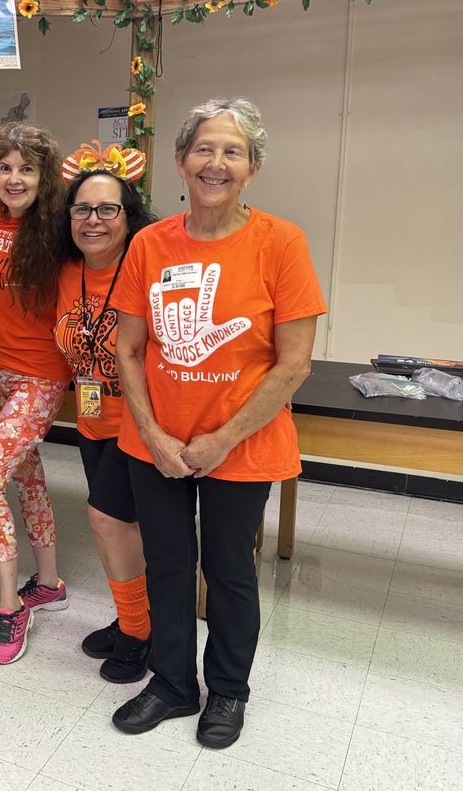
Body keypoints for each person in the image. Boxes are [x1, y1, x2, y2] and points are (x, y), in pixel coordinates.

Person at [111, 97, 325, 748]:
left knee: (229, 570)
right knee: (168, 565)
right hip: (157, 444)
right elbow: (127, 349)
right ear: (181, 161)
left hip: (243, 445)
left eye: (233, 151)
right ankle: (173, 684)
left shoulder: (281, 243)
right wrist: (154, 434)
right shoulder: (149, 243)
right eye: (204, 148)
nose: (216, 162)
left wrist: (222, 438)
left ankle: (228, 691)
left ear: (252, 168)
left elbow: (293, 364)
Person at [52, 143, 156, 683]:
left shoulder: (146, 269)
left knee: (107, 520)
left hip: (139, 424)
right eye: (82, 209)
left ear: (129, 215)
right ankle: (134, 618)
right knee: (120, 527)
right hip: (91, 420)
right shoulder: (66, 272)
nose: (93, 220)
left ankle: (139, 632)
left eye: (107, 209)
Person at [0, 123, 71, 665]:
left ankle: (11, 606)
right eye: (5, 168)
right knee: (27, 474)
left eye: (26, 169)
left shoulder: (58, 229)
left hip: (41, 376)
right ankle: (48, 583)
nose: (14, 178)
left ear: (43, 177)